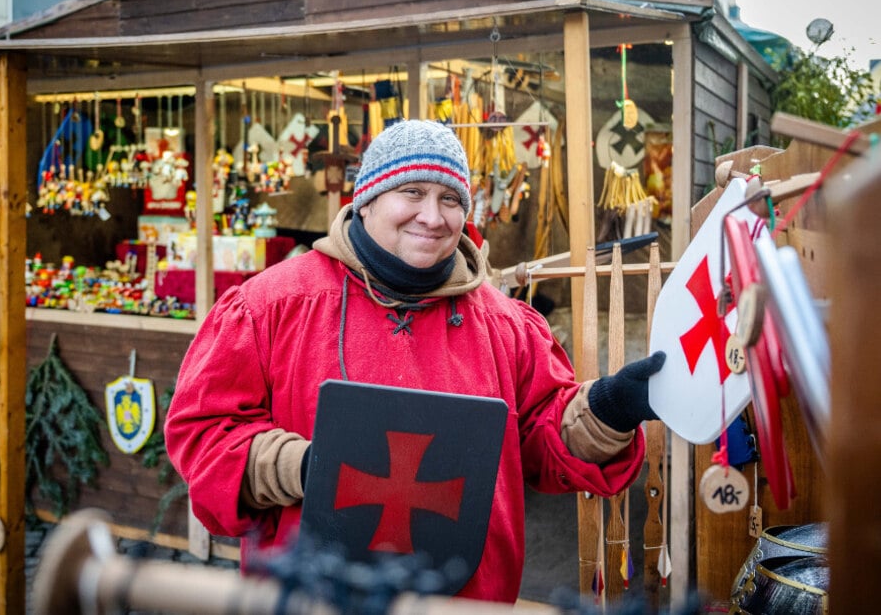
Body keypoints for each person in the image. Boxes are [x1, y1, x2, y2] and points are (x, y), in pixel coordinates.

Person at [165, 119, 666, 603]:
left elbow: (539, 442)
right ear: (366, 201)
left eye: (450, 198)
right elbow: (204, 434)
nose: (433, 216)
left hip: (465, 601)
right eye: (412, 192)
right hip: (314, 598)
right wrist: (300, 466)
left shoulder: (504, 325)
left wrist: (606, 410)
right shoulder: (271, 307)